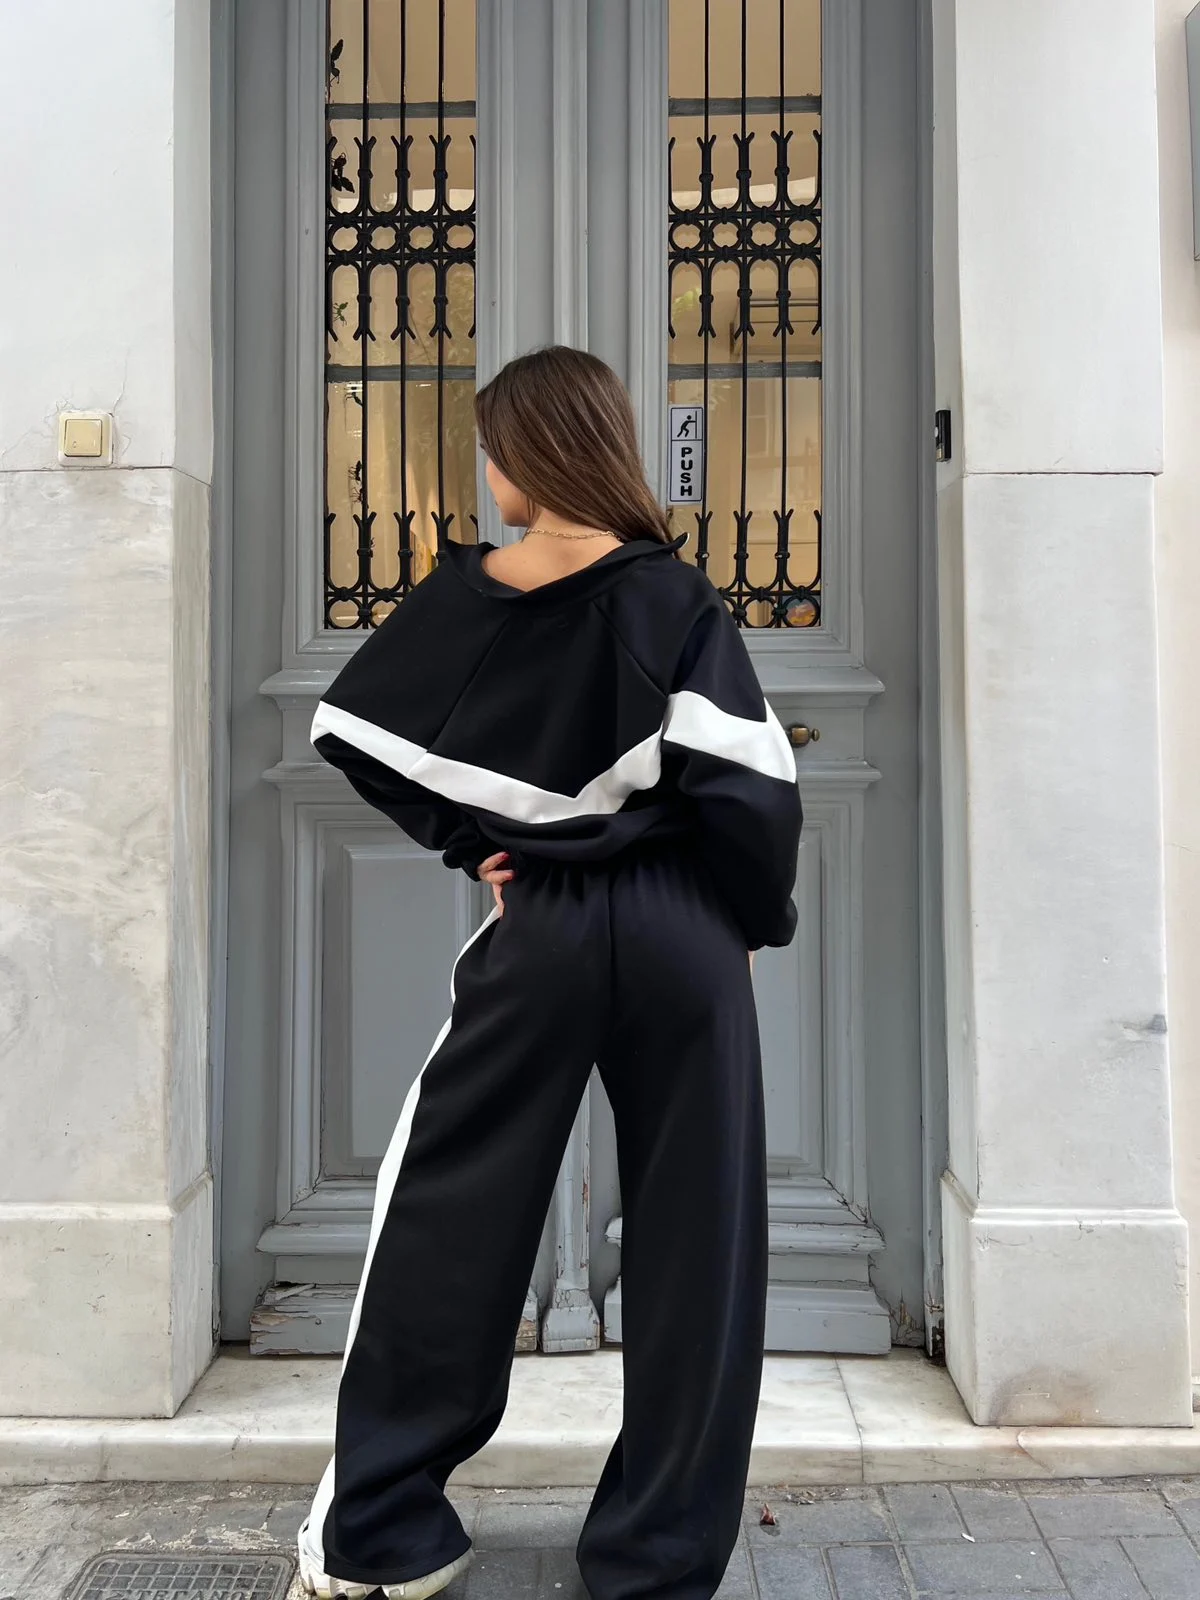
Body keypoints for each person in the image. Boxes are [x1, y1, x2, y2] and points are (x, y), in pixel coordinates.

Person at [297, 345, 803, 1600]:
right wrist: (748, 919)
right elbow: (749, 789)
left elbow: (349, 731)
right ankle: (656, 1558)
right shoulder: (672, 598)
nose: (488, 470)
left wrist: (472, 843)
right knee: (699, 1237)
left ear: (530, 452)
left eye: (493, 446)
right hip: (685, 929)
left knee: (448, 1211)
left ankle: (387, 1535)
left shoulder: (465, 597)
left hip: (542, 928)